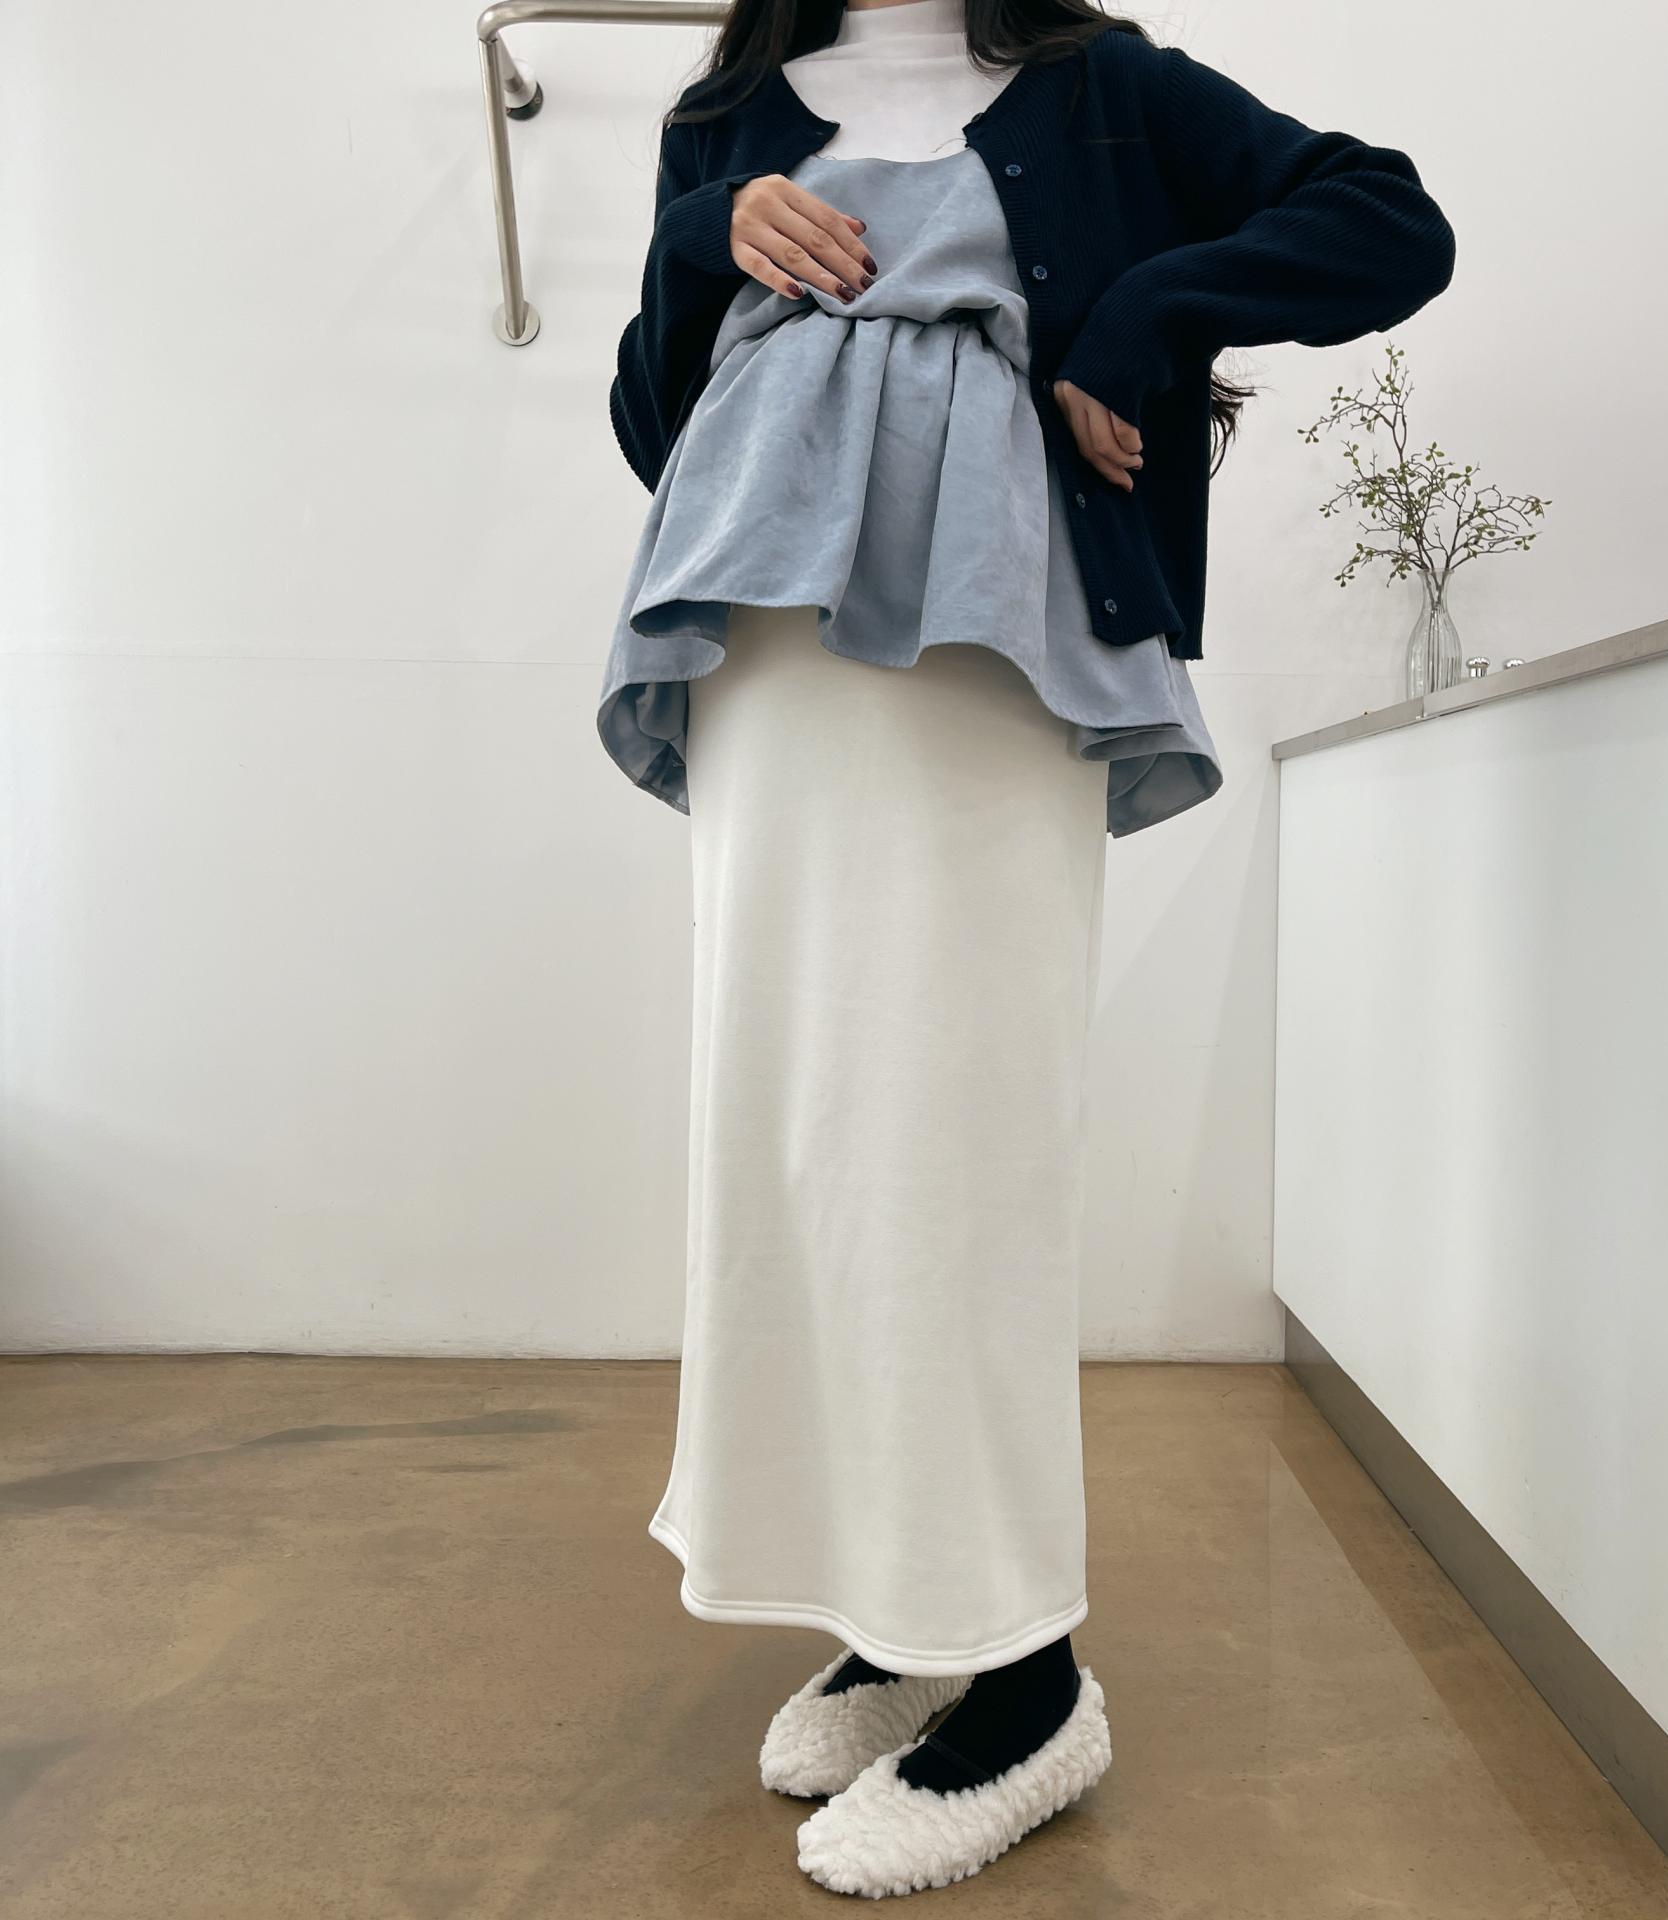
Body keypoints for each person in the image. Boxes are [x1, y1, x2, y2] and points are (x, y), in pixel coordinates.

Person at [599, 0, 1454, 1895]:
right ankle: (904, 1608)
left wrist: (1148, 314)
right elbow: (661, 423)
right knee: (802, 1134)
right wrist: (700, 236)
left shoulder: (1101, 80)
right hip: (760, 651)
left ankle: (1030, 1673)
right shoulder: (727, 110)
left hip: (998, 639)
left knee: (956, 1137)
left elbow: (1391, 220)